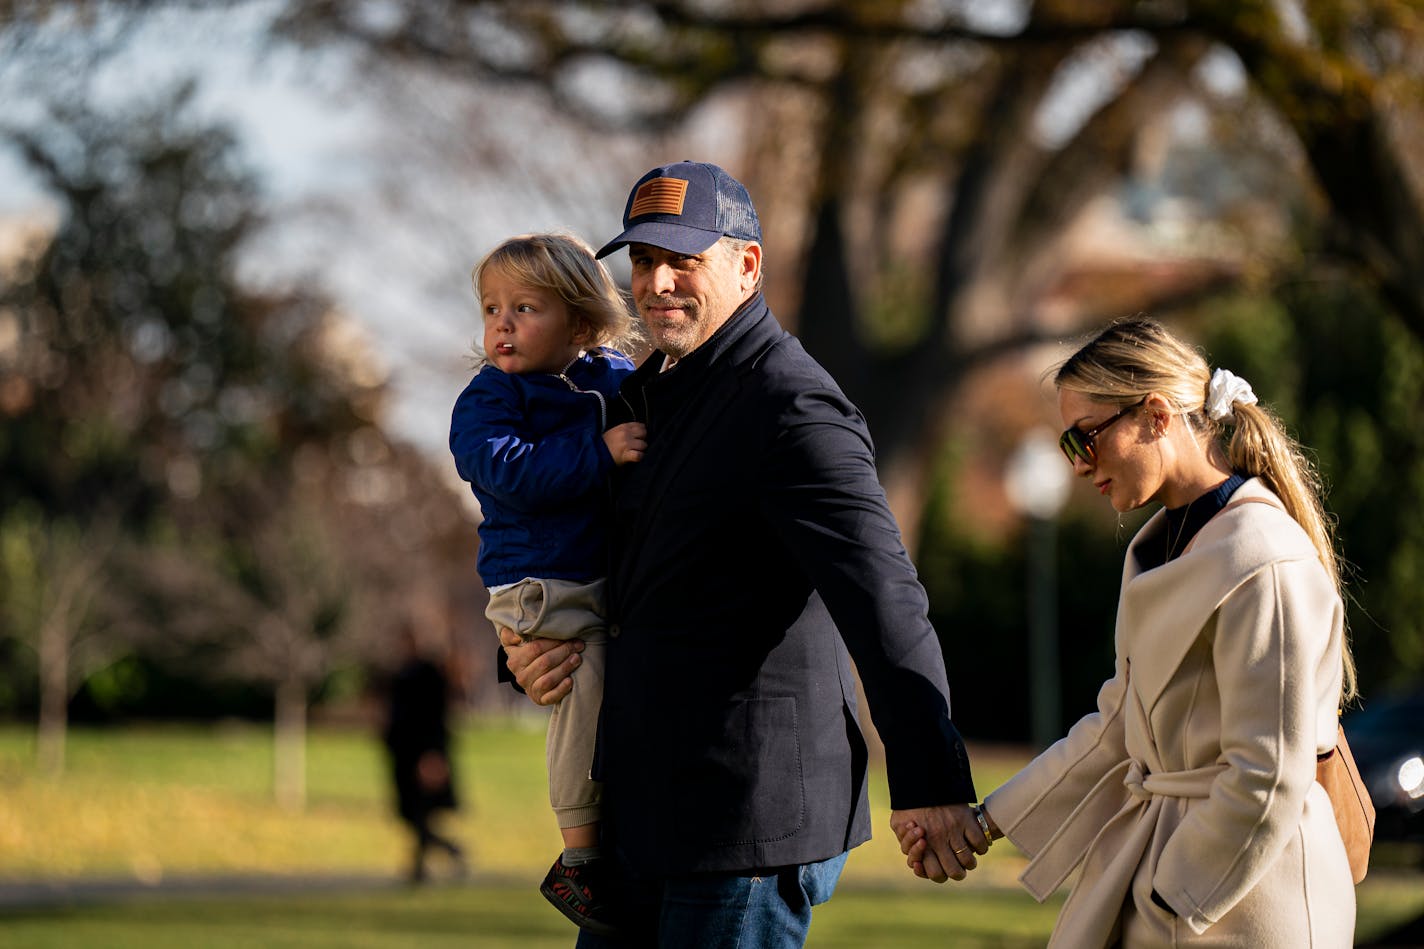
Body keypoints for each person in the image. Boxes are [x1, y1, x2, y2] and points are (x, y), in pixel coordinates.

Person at [500, 160, 987, 948]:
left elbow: (884, 598)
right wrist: (523, 644)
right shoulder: (642, 394)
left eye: (682, 261)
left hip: (745, 829)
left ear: (747, 265)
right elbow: (585, 554)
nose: (657, 283)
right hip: (640, 816)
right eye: (644, 261)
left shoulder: (794, 408)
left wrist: (931, 777)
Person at [900, 316, 1359, 947]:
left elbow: (1268, 776)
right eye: (1069, 446)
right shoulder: (1166, 547)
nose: (1080, 465)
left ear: (1156, 415)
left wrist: (1171, 896)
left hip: (1249, 906)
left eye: (1086, 438)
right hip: (1178, 886)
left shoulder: (1264, 559)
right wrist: (981, 823)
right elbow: (1118, 728)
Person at [449, 232, 647, 935]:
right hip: (537, 583)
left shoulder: (613, 378)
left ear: (582, 323)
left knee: (612, 683)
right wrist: (598, 451)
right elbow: (509, 473)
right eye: (492, 308)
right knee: (583, 692)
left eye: (525, 308)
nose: (501, 324)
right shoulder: (489, 398)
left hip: (593, 575)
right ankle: (580, 857)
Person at [382, 621, 466, 883]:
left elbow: (435, 718)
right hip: (402, 756)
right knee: (412, 814)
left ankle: (421, 868)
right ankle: (437, 856)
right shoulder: (400, 673)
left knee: (421, 812)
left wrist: (433, 754)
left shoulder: (428, 675)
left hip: (422, 756)